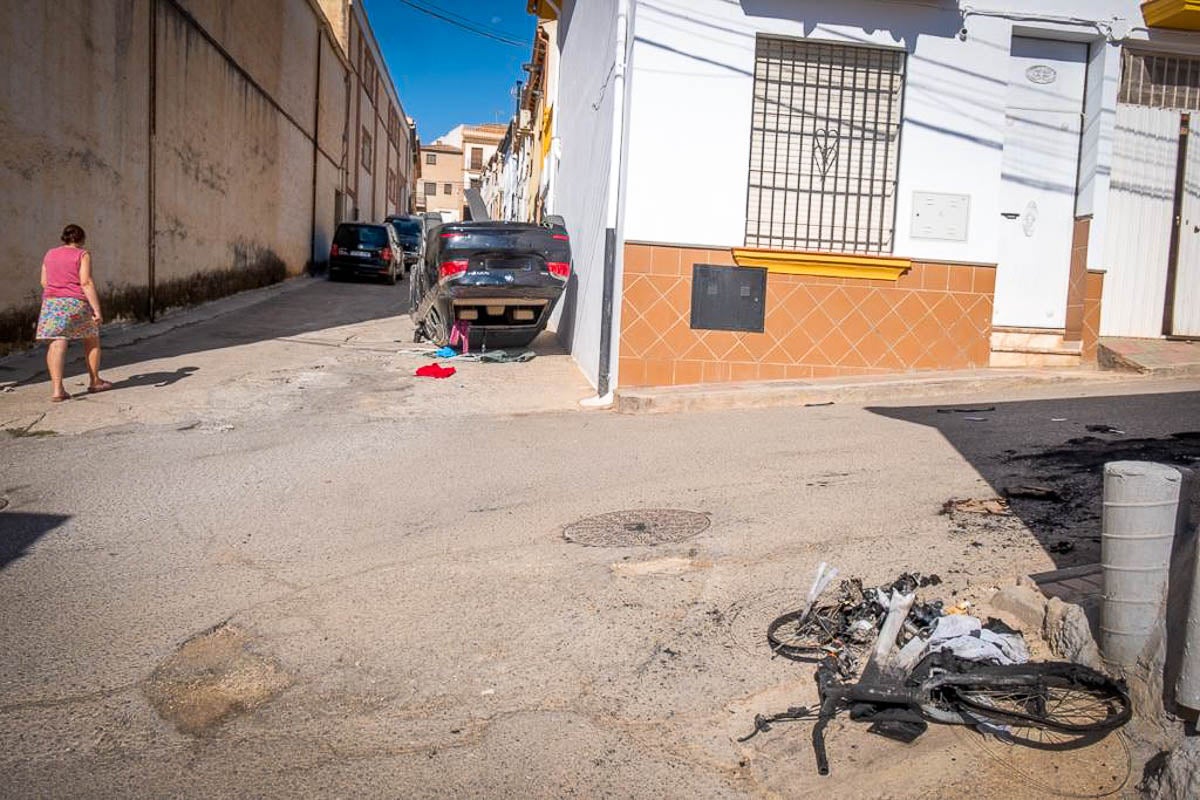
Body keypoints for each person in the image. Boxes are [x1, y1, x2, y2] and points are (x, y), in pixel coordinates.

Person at [36, 224, 112, 402]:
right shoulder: (82, 254)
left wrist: (57, 293)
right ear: (82, 239)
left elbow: (44, 281)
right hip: (75, 302)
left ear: (64, 238)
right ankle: (95, 381)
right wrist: (97, 309)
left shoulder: (50, 254)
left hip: (52, 303)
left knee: (57, 342)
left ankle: (57, 390)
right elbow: (85, 282)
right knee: (91, 338)